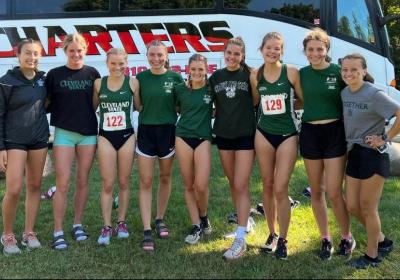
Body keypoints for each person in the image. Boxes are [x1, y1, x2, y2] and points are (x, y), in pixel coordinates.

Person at [299, 28, 355, 260]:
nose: (315, 53)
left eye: (319, 49)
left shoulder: (337, 71)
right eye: (311, 49)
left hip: (334, 132)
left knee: (333, 192)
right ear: (305, 52)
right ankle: (325, 238)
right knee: (317, 192)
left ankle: (346, 236)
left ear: (327, 50)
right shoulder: (300, 74)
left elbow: (359, 89)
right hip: (310, 132)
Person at [340, 53, 400, 269]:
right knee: (353, 206)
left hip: (374, 155)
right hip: (354, 153)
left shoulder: (374, 93)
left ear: (363, 71)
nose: (349, 73)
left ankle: (372, 255)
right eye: (345, 69)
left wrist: (385, 137)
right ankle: (382, 240)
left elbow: (398, 112)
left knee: (368, 207)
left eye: (354, 69)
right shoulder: (345, 92)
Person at [250, 32, 302, 260]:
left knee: (281, 188)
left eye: (277, 48)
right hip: (263, 133)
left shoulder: (291, 72)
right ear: (261, 49)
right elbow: (255, 102)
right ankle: (271, 234)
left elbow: (301, 99)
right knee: (268, 185)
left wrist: (287, 105)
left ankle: (284, 238)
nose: (272, 52)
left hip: (288, 134)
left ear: (282, 51)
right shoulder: (255, 74)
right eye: (269, 48)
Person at [46, 33, 100, 250]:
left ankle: (77, 223)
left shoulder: (92, 73)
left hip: (88, 132)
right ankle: (57, 230)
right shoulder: (54, 74)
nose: (76, 54)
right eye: (71, 51)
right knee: (63, 182)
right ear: (64, 51)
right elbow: (46, 102)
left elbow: (95, 103)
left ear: (85, 50)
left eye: (80, 50)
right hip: (64, 133)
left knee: (83, 181)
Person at [209, 37, 258, 260]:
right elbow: (207, 102)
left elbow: (257, 102)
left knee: (241, 183)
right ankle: (244, 222)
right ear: (224, 52)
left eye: (236, 54)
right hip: (224, 135)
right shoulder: (215, 77)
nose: (232, 57)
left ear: (243, 56)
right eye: (229, 53)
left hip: (245, 135)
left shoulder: (249, 76)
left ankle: (240, 238)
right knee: (233, 184)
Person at [0, 39, 49, 256]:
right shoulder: (6, 81)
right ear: (17, 55)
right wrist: (1, 147)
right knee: (13, 189)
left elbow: (48, 105)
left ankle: (29, 232)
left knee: (35, 186)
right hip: (14, 140)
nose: (32, 57)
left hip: (38, 138)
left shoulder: (44, 80)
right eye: (27, 53)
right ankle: (8, 234)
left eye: (36, 53)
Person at [135, 40, 184, 251]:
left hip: (168, 132)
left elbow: (181, 105)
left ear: (166, 56)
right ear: (147, 56)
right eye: (152, 55)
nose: (156, 59)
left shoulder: (175, 78)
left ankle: (159, 218)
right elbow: (137, 105)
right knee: (145, 180)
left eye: (160, 55)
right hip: (146, 132)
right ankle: (147, 229)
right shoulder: (140, 78)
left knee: (165, 177)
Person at [92, 48, 138, 246]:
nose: (118, 67)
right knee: (108, 183)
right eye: (113, 63)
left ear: (126, 63)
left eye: (121, 63)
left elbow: (138, 106)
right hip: (105, 137)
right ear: (107, 63)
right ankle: (106, 225)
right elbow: (93, 107)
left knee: (124, 181)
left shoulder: (133, 82)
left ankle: (121, 222)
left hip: (127, 135)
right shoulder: (98, 83)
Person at [174, 54, 213, 245]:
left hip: (203, 137)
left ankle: (204, 215)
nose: (197, 72)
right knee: (189, 185)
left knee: (201, 185)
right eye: (194, 69)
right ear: (188, 69)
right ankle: (196, 224)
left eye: (201, 69)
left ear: (206, 69)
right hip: (183, 137)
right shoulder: (180, 89)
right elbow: (176, 109)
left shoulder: (210, 89)